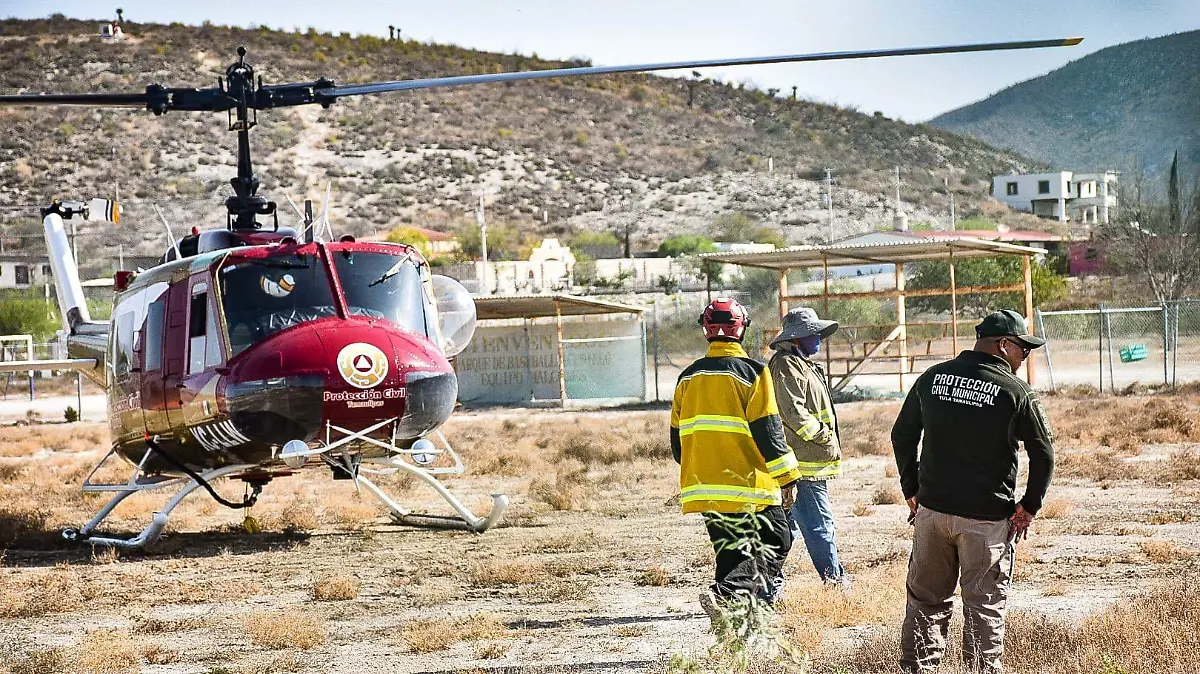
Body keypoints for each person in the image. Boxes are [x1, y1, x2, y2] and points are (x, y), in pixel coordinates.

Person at [890, 309, 1055, 673]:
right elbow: (1044, 455)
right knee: (983, 610)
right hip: (984, 523)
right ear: (1003, 344)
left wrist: (912, 489)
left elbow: (902, 435)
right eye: (1022, 351)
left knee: (925, 604)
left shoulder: (932, 378)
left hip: (931, 516)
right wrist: (1029, 507)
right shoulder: (1017, 392)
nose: (1023, 358)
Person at [670, 297, 803, 619]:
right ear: (742, 329)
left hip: (704, 485)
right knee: (777, 538)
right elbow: (768, 434)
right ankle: (727, 594)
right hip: (747, 484)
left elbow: (677, 444)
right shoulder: (753, 373)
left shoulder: (687, 377)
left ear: (705, 330)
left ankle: (733, 627)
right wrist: (789, 478)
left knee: (730, 554)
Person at [767, 307, 850, 588]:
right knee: (819, 527)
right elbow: (792, 411)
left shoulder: (801, 364)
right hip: (802, 465)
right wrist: (822, 436)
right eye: (812, 334)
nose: (818, 339)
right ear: (796, 338)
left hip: (807, 462)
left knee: (784, 530)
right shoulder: (786, 365)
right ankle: (836, 583)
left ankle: (765, 586)